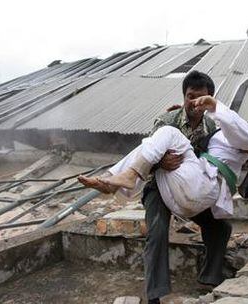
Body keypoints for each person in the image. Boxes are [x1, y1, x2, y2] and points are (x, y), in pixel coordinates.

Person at [79, 71, 237, 304]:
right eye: (189, 96)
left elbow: (212, 158)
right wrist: (159, 164)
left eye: (199, 98)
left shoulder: (211, 126)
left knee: (220, 227)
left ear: (209, 99)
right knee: (157, 230)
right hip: (158, 184)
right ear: (184, 96)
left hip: (188, 188)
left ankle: (209, 278)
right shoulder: (167, 120)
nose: (193, 103)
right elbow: (147, 152)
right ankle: (155, 294)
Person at [79, 95, 248, 219]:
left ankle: (128, 177)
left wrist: (215, 105)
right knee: (150, 144)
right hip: (185, 196)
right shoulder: (220, 136)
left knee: (169, 133)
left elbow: (246, 135)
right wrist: (180, 114)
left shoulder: (245, 140)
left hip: (203, 188)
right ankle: (113, 181)